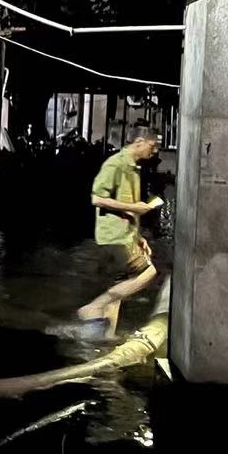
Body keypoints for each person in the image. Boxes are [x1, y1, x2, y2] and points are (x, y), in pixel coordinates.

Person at [77, 123, 162, 337]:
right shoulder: (115, 164)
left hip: (125, 235)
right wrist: (134, 207)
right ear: (139, 142)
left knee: (119, 286)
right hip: (113, 237)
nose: (155, 150)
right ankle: (94, 307)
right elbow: (97, 198)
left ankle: (104, 337)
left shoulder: (133, 168)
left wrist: (139, 237)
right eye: (152, 145)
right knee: (149, 273)